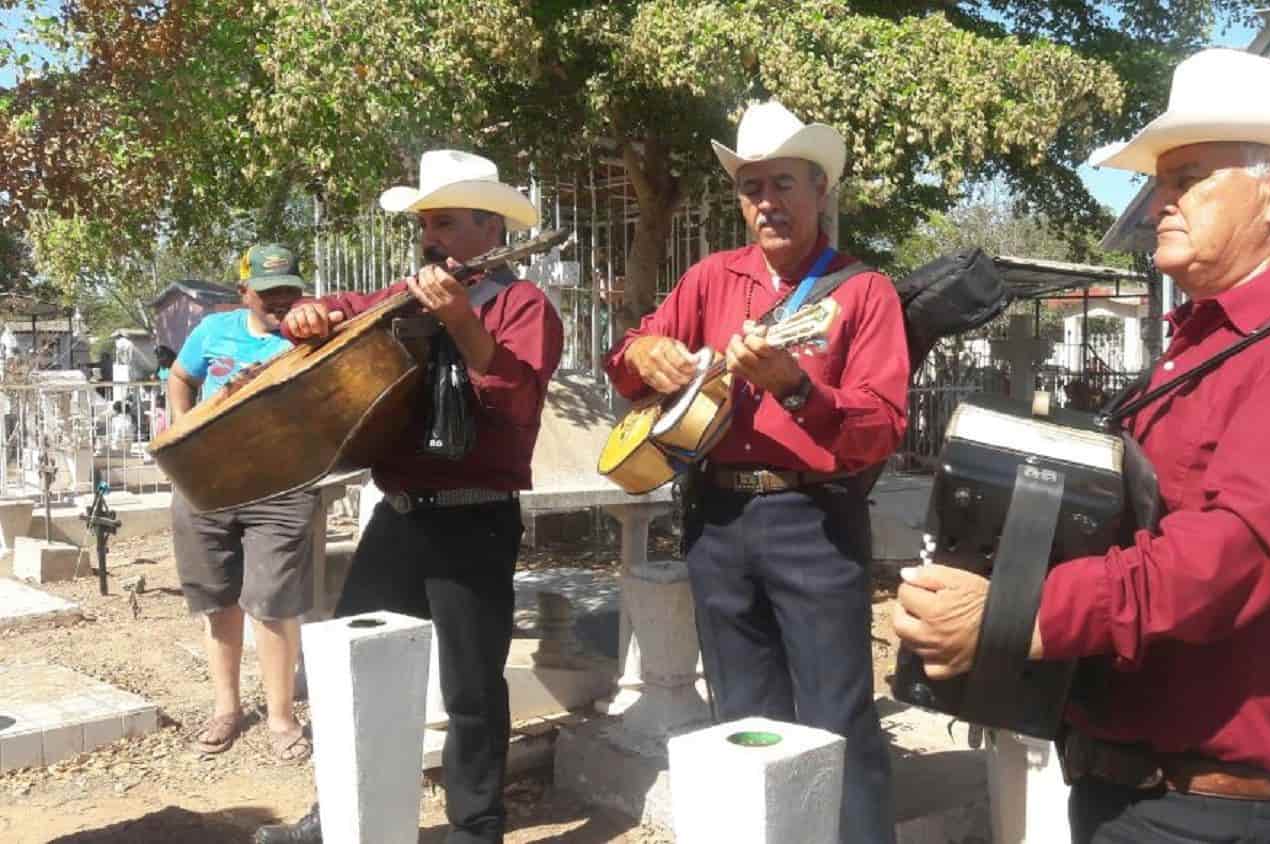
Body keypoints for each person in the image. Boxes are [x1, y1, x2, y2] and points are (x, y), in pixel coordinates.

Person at [892, 48, 1270, 843]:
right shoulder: (1199, 343)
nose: (1157, 206)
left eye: (1186, 179)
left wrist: (1017, 614)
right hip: (1125, 784)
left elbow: (1233, 551)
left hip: (1211, 809)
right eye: (1160, 184)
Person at [604, 100, 909, 844]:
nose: (766, 201)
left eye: (782, 183)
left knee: (837, 722)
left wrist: (798, 388)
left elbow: (880, 429)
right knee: (742, 719)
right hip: (717, 521)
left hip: (814, 523)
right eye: (751, 187)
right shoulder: (710, 278)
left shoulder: (862, 292)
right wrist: (642, 355)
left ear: (820, 190)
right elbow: (630, 362)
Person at [259, 149, 562, 844]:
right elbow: (344, 309)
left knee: (472, 687)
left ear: (490, 229)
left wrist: (462, 321)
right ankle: (340, 812)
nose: (431, 236)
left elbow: (515, 400)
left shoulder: (523, 304)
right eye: (427, 222)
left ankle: (476, 827)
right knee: (352, 671)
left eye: (447, 222)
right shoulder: (404, 294)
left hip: (474, 520)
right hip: (396, 517)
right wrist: (312, 311)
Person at [168, 243, 320, 763]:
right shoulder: (213, 331)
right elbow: (181, 378)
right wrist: (184, 427)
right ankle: (226, 709)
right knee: (217, 598)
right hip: (206, 482)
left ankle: (281, 717)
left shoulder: (311, 334)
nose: (281, 300)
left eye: (289, 289)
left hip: (280, 486)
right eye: (269, 290)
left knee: (274, 601)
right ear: (244, 292)